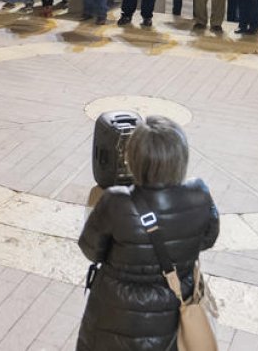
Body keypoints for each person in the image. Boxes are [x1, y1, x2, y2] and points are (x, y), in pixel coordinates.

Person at [77, 116, 220, 351]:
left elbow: (91, 249)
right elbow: (207, 239)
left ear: (133, 158)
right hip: (172, 314)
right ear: (180, 157)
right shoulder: (200, 196)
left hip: (114, 315)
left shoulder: (116, 201)